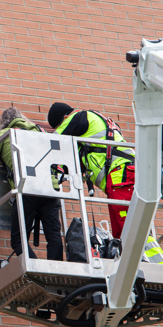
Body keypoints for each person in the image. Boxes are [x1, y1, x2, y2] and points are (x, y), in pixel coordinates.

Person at [0, 107, 63, 261]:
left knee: (18, 240)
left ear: (3, 124)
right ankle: (56, 267)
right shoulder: (40, 132)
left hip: (26, 187)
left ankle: (34, 268)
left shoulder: (6, 134)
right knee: (53, 235)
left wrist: (1, 157)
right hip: (50, 188)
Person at [47, 102, 135, 239]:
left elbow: (51, 143)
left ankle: (143, 259)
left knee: (128, 231)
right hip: (127, 172)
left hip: (120, 175)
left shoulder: (77, 117)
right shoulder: (95, 124)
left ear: (64, 118)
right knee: (126, 230)